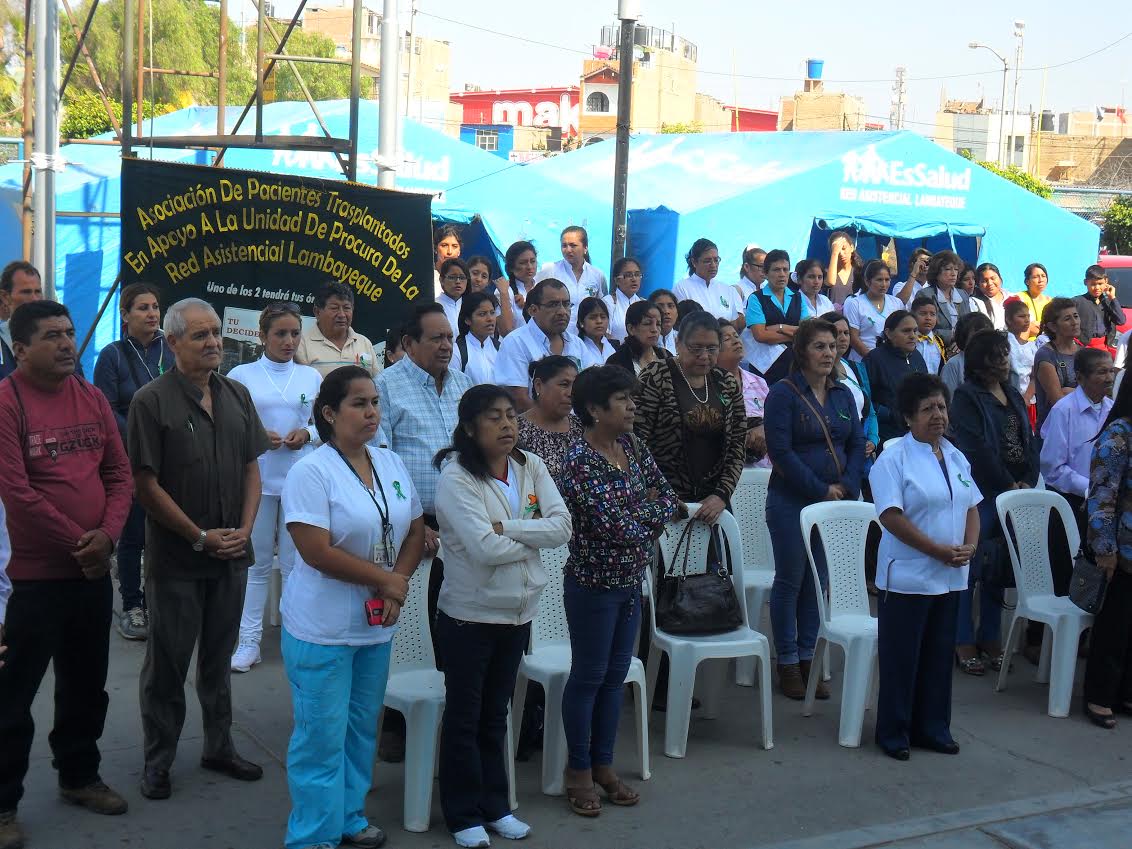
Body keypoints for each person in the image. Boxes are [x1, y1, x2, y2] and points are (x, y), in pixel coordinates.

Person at [0, 301, 133, 847]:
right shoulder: (7, 402)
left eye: (71, 333)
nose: (66, 344)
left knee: (85, 684)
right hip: (33, 578)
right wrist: (81, 542)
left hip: (92, 573)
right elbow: (17, 491)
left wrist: (107, 536)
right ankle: (4, 805)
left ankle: (79, 775)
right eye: (52, 336)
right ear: (20, 348)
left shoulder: (92, 397)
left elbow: (119, 473)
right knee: (13, 696)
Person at [128, 297, 271, 800]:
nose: (213, 343)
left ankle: (219, 746)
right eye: (200, 335)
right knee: (167, 664)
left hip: (231, 553)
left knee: (217, 659)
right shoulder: (151, 401)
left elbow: (253, 466)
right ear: (172, 342)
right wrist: (197, 535)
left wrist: (246, 527)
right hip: (178, 560)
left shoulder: (236, 395)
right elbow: (146, 486)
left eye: (215, 333)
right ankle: (158, 760)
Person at [281, 365, 424, 849]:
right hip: (321, 628)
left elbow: (415, 528)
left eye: (375, 403)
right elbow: (315, 551)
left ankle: (349, 817)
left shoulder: (389, 461)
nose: (371, 413)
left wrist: (394, 584)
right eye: (359, 404)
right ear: (328, 412)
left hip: (376, 623)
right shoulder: (311, 471)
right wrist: (387, 580)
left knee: (361, 730)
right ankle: (312, 836)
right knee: (320, 737)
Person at [434, 386, 572, 846]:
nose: (508, 425)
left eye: (511, 415)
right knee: (465, 716)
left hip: (519, 613)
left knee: (498, 714)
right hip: (470, 616)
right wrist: (530, 535)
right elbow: (483, 548)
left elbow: (562, 525)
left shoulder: (530, 466)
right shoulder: (456, 478)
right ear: (471, 427)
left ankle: (496, 807)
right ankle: (462, 814)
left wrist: (509, 527)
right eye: (494, 417)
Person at [557, 366, 678, 817]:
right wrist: (648, 516)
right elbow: (616, 527)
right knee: (589, 677)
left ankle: (604, 766)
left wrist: (646, 515)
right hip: (593, 585)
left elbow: (667, 498)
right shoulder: (579, 460)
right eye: (623, 399)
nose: (633, 406)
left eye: (632, 398)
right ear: (593, 409)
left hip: (631, 581)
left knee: (614, 679)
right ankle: (579, 770)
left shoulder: (631, 444)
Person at [869, 373, 980, 761]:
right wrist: (937, 550)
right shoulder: (893, 458)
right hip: (909, 574)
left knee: (937, 656)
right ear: (907, 416)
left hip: (950, 573)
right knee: (903, 658)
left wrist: (969, 547)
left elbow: (971, 506)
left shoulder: (954, 454)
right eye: (928, 408)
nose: (938, 416)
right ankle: (894, 731)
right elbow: (891, 516)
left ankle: (933, 728)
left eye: (942, 407)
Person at [375, 302, 474, 694]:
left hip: (462, 523)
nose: (446, 345)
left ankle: (449, 705)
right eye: (436, 338)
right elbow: (380, 463)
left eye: (450, 337)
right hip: (413, 527)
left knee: (455, 620)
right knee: (409, 625)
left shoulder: (465, 386)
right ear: (409, 343)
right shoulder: (385, 387)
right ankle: (398, 719)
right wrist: (416, 524)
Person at [764, 318, 865, 699]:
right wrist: (821, 488)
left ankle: (809, 657)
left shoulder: (841, 394)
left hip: (834, 503)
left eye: (833, 346)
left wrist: (849, 485)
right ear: (802, 351)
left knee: (817, 580)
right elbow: (782, 453)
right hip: (792, 500)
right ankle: (787, 661)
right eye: (819, 346)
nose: (828, 353)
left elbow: (856, 442)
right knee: (791, 579)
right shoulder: (783, 394)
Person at [226, 303, 322, 673]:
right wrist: (255, 435)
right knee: (258, 564)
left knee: (297, 564)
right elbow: (228, 423)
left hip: (299, 480)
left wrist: (307, 434)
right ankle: (249, 640)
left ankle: (294, 638)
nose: (288, 340)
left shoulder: (310, 378)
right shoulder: (241, 374)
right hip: (258, 480)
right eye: (280, 333)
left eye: (294, 333)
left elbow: (322, 424)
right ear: (262, 335)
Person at [949, 329, 1039, 675]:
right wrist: (1006, 482)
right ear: (980, 360)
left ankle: (990, 637)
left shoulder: (1013, 393)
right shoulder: (966, 397)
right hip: (983, 493)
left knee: (998, 568)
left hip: (1016, 492)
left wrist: (1026, 480)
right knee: (970, 567)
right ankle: (962, 640)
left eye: (1005, 354)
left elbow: (1028, 439)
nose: (1004, 361)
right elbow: (976, 447)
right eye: (997, 355)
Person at [93, 282, 174, 640]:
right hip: (132, 459)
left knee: (169, 531)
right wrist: (145, 436)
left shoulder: (171, 350)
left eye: (155, 307)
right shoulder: (112, 355)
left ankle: (162, 602)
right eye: (142, 308)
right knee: (132, 536)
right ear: (125, 315)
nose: (151, 314)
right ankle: (131, 605)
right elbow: (106, 411)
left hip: (173, 458)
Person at [1037, 348, 1115, 662]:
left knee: (1101, 581)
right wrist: (1091, 490)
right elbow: (1053, 468)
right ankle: (1050, 646)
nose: (1108, 377)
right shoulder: (1065, 411)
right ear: (1080, 377)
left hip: (1101, 506)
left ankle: (1089, 644)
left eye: (1111, 371)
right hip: (1070, 503)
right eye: (1100, 372)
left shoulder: (1111, 409)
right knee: (1065, 577)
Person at [634, 310, 747, 524]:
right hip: (662, 499)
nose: (704, 356)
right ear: (678, 343)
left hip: (713, 503)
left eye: (712, 349)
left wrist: (722, 494)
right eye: (696, 348)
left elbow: (737, 446)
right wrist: (661, 493)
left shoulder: (726, 382)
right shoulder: (656, 376)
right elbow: (637, 444)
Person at [1083, 373, 1132, 728]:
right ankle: (1100, 695)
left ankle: (1126, 692)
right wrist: (1105, 549)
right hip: (1121, 550)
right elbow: (1102, 496)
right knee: (1115, 626)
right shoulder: (1118, 436)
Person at [495, 279, 584, 414]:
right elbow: (518, 400)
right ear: (533, 310)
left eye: (566, 304)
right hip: (535, 430)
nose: (562, 311)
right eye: (553, 304)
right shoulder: (515, 342)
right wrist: (559, 425)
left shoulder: (577, 344)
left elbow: (589, 391)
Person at [822, 311, 879, 469]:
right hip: (836, 453)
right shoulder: (819, 374)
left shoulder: (856, 367)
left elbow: (870, 410)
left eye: (846, 333)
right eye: (837, 333)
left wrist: (872, 440)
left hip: (862, 448)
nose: (843, 337)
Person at [744, 249, 810, 383]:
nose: (782, 274)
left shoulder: (798, 297)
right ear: (765, 273)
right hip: (765, 369)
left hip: (795, 365)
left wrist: (779, 327)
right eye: (776, 270)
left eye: (785, 270)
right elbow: (760, 335)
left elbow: (808, 332)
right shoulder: (756, 298)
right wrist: (794, 332)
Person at [517, 355, 584, 481]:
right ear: (538, 386)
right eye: (564, 384)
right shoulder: (517, 431)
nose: (570, 393)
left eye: (574, 386)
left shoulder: (582, 426)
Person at [865, 310, 928, 444]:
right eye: (906, 331)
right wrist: (890, 414)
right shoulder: (875, 359)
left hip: (917, 432)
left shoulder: (917, 357)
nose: (912, 336)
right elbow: (864, 399)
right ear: (888, 333)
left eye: (915, 331)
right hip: (887, 435)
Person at [296, 281, 380, 378]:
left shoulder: (364, 343)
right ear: (317, 312)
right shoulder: (302, 344)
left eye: (346, 308)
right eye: (334, 308)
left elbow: (376, 383)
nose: (342, 315)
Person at [718, 319, 769, 466]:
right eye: (727, 339)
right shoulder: (708, 384)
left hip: (762, 468)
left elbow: (774, 421)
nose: (735, 341)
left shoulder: (759, 382)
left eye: (736, 335)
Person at [536, 225, 608, 326]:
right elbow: (533, 297)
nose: (568, 250)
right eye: (564, 246)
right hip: (557, 333)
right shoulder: (550, 270)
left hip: (586, 336)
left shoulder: (597, 275)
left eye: (573, 245)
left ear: (585, 248)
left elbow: (602, 306)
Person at [1033, 297, 1083, 430]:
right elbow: (1059, 401)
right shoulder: (1046, 356)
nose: (1075, 322)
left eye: (1076, 316)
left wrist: (1069, 391)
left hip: (1080, 426)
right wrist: (1085, 391)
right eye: (1067, 319)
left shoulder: (1083, 352)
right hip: (1054, 431)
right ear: (1052, 326)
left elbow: (1100, 392)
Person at [844, 260, 903, 362]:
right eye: (879, 280)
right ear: (867, 281)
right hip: (862, 361)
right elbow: (853, 338)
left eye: (887, 279)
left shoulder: (897, 303)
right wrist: (874, 359)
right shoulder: (854, 303)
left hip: (892, 360)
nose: (884, 284)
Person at [673, 238, 739, 322]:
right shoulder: (682, 288)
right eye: (707, 261)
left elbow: (734, 323)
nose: (713, 265)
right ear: (694, 262)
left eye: (716, 260)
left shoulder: (727, 289)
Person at [921, 251, 972, 353]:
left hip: (962, 348)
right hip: (935, 349)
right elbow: (924, 328)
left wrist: (961, 343)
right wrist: (954, 336)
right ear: (936, 272)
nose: (953, 274)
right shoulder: (925, 295)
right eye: (948, 269)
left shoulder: (963, 294)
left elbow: (970, 325)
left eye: (956, 270)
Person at [939, 312, 995, 396]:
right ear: (964, 337)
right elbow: (948, 399)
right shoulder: (954, 365)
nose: (984, 340)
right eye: (978, 335)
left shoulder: (994, 362)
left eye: (987, 335)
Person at [606, 301, 668, 376]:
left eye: (658, 324)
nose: (654, 329)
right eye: (647, 323)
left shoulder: (666, 356)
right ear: (631, 329)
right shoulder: (616, 362)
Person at [451, 291, 501, 385]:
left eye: (492, 313)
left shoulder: (500, 348)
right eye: (482, 314)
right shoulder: (457, 351)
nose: (490, 319)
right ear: (467, 320)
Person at [495, 241, 538, 337]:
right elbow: (506, 331)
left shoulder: (542, 287)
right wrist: (504, 295)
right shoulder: (504, 291)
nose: (529, 267)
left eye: (533, 261)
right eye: (523, 263)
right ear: (511, 267)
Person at [1074, 265, 1124, 349]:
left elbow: (1121, 321)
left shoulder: (1108, 302)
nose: (1097, 288)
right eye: (1093, 284)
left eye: (1100, 284)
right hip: (1083, 348)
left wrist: (1112, 298)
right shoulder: (1077, 302)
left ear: (1106, 282)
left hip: (1104, 347)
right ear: (1085, 282)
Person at [1005, 299, 1037, 413]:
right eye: (1021, 316)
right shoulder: (1004, 342)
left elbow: (1034, 376)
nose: (1027, 320)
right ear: (1008, 319)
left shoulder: (1032, 346)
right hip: (1008, 401)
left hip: (1028, 401)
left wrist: (1027, 397)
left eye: (1028, 316)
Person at [603, 256, 645, 342]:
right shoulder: (608, 303)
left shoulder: (644, 304)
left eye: (637, 275)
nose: (634, 279)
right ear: (617, 280)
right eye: (628, 275)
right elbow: (604, 334)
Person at [576, 297, 616, 369]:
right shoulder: (576, 348)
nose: (599, 321)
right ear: (581, 322)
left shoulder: (612, 346)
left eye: (603, 317)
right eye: (593, 317)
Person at [910, 296, 946, 375]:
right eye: (923, 314)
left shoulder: (939, 342)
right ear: (912, 316)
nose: (928, 318)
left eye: (932, 314)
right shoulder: (908, 340)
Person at [826, 231, 863, 306]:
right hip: (834, 316)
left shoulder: (860, 272)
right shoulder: (827, 273)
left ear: (852, 247)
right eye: (837, 251)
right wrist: (834, 253)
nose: (841, 254)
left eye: (844, 248)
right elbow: (830, 282)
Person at [1016, 263, 1051, 342]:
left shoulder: (1050, 301)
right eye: (1035, 277)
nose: (1041, 280)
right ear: (1027, 281)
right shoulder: (1019, 298)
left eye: (1043, 276)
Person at [437, 257, 469, 337]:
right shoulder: (435, 306)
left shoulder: (471, 305)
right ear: (442, 280)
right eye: (452, 277)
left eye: (462, 278)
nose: (458, 282)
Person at [976, 262, 1012, 330]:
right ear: (978, 284)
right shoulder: (975, 302)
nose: (990, 283)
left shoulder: (1013, 297)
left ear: (1000, 279)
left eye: (993, 278)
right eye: (984, 281)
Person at [434, 224, 462, 297]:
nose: (449, 252)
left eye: (454, 246)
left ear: (459, 251)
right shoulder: (427, 276)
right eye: (444, 245)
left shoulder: (464, 279)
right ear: (435, 249)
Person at [649, 289, 679, 354]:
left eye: (671, 306)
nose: (666, 311)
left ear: (677, 313)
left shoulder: (684, 340)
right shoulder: (644, 341)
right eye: (660, 306)